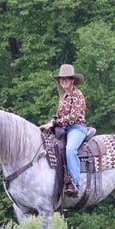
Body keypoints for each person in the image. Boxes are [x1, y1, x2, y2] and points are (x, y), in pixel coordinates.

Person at [39, 64, 87, 196]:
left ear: (72, 80)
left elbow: (73, 117)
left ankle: (74, 183)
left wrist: (54, 123)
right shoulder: (64, 96)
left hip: (77, 127)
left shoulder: (77, 95)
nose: (63, 81)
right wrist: (50, 123)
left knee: (70, 149)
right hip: (63, 128)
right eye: (61, 79)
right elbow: (59, 115)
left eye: (66, 78)